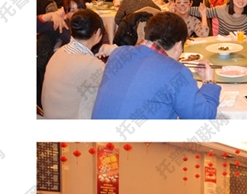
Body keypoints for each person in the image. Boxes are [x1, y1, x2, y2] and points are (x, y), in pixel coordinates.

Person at [92, 12, 220, 119]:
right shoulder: (177, 71)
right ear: (178, 45)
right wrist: (209, 82)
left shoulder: (118, 54)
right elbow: (203, 117)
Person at [42, 10, 116, 119]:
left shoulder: (60, 51)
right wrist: (115, 52)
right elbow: (121, 82)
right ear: (98, 32)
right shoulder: (89, 64)